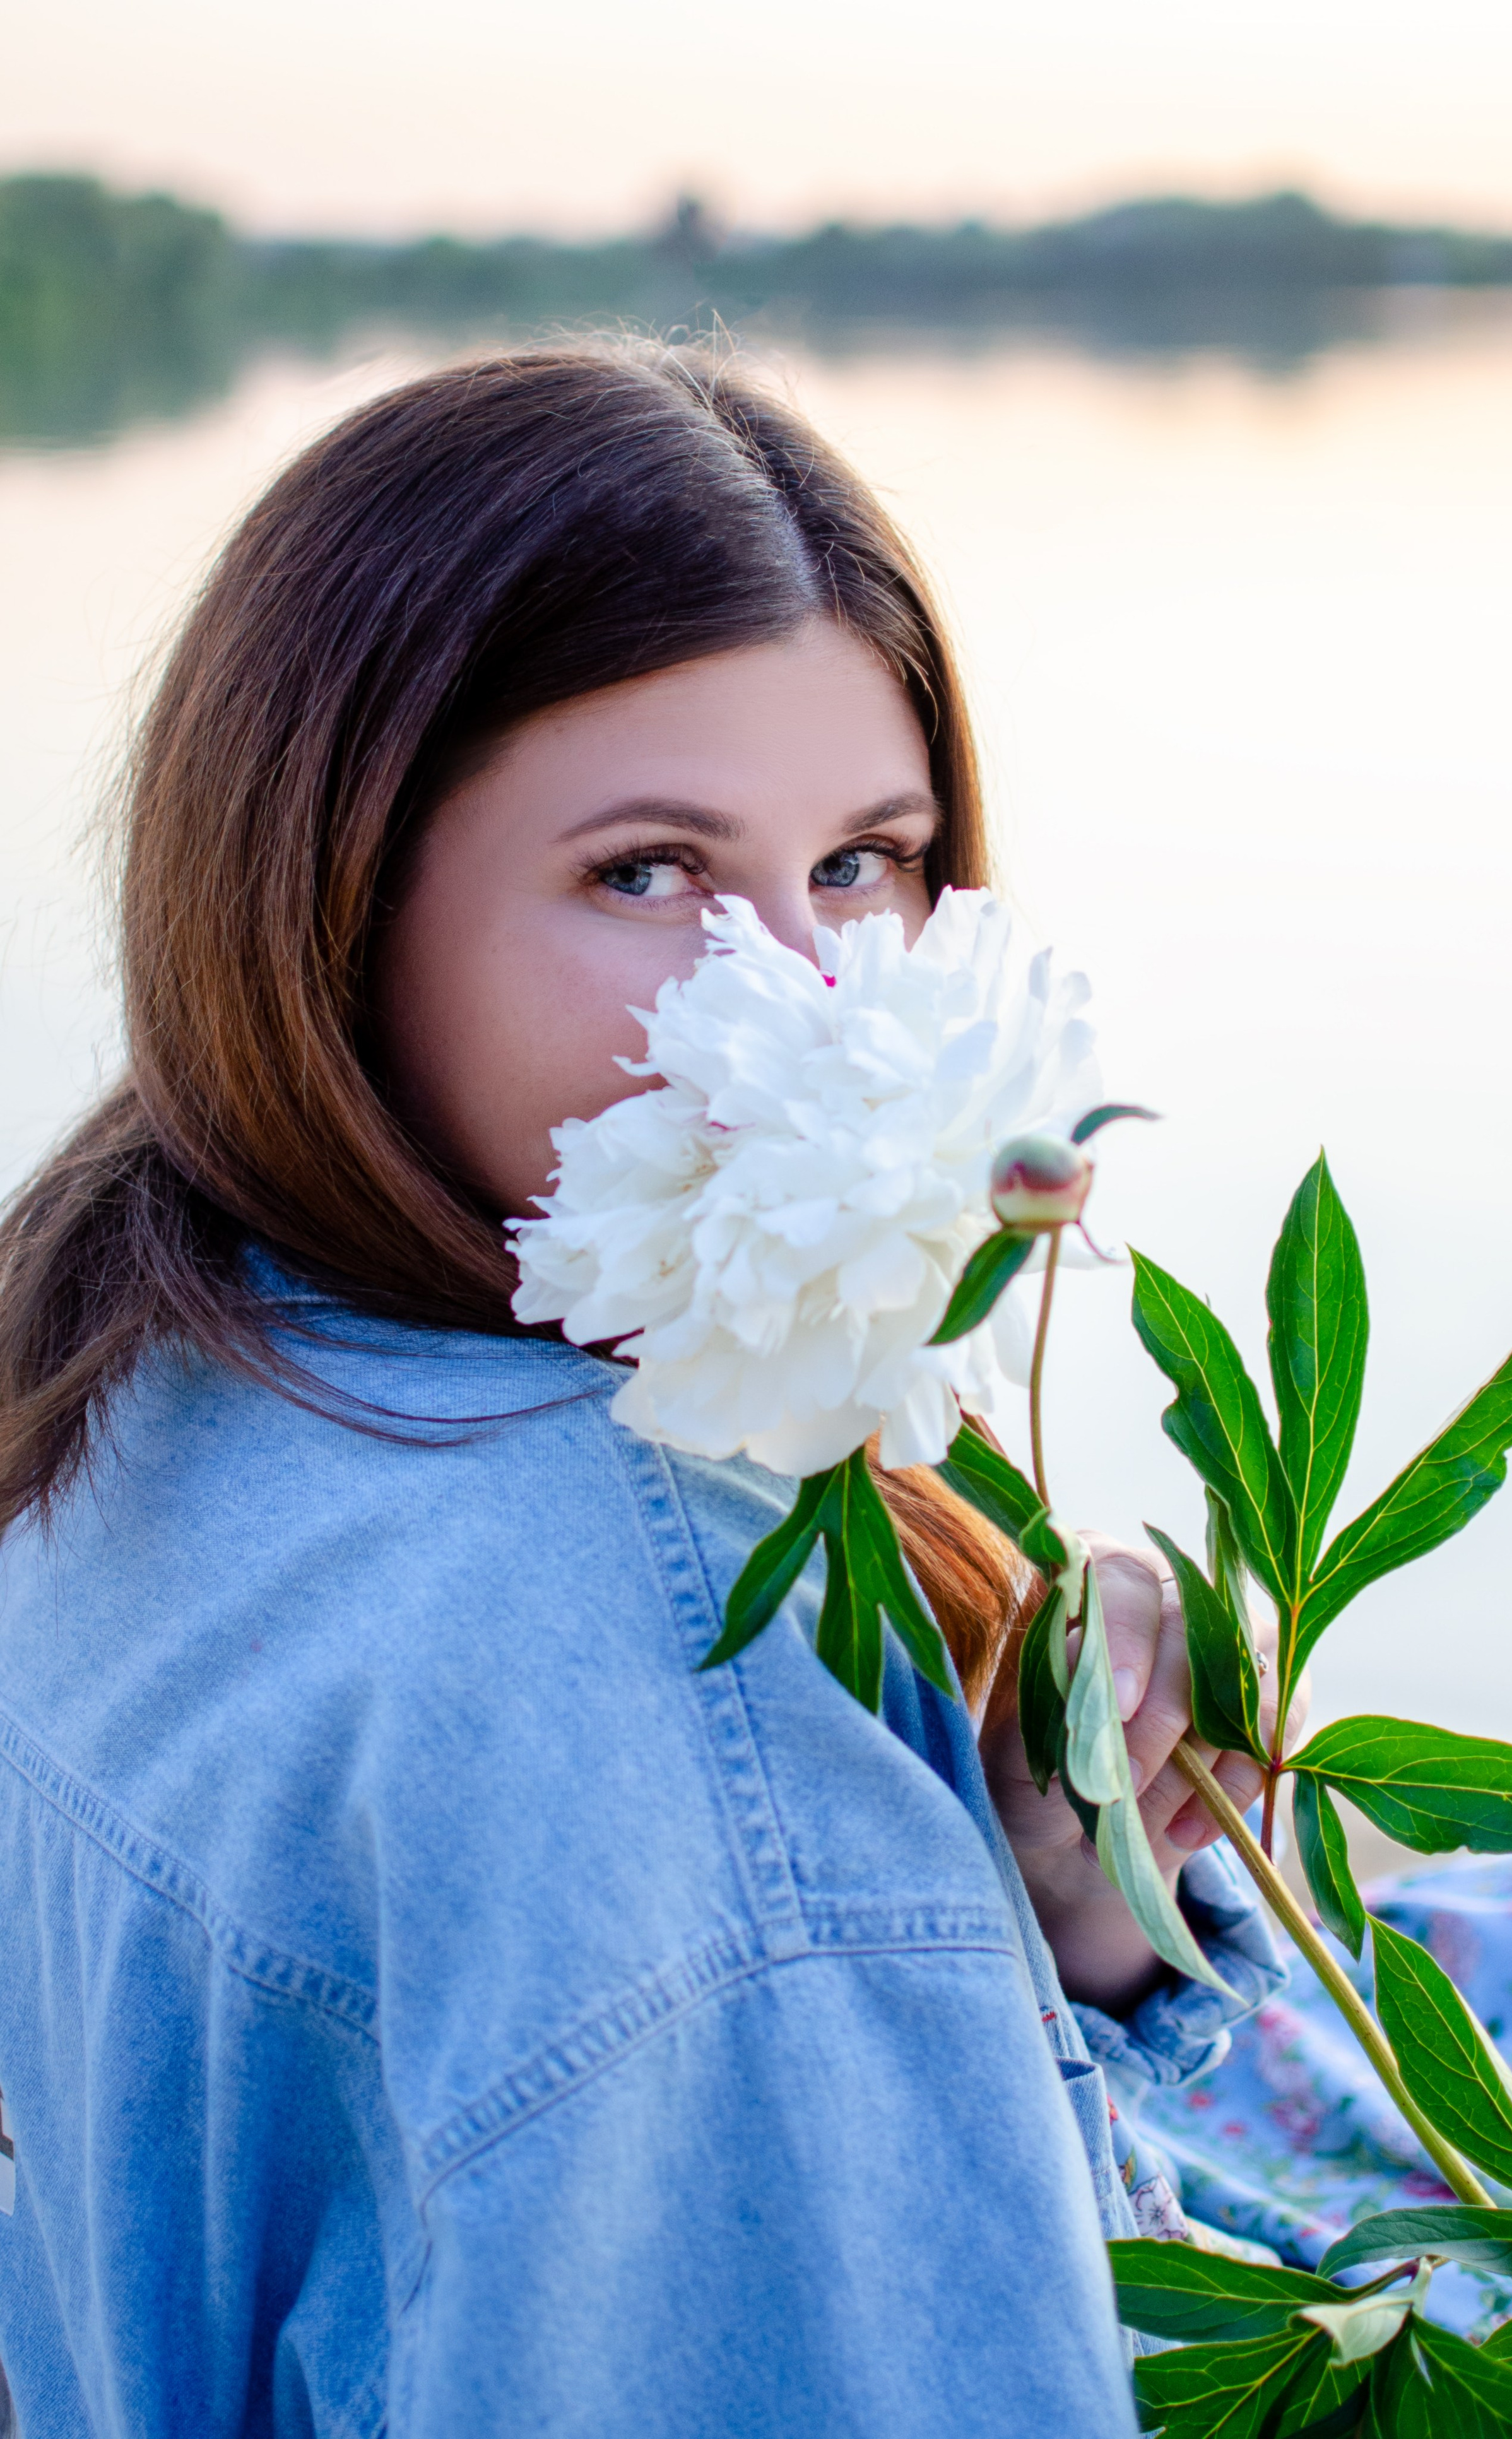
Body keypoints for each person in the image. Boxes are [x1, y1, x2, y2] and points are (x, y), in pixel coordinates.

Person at [0, 341, 1287, 2438]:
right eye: (645, 872)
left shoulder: (140, 1347)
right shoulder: (663, 1674)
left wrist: (1048, 1915)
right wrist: (840, 1897)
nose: (792, 999)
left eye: (864, 861)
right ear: (328, 908)